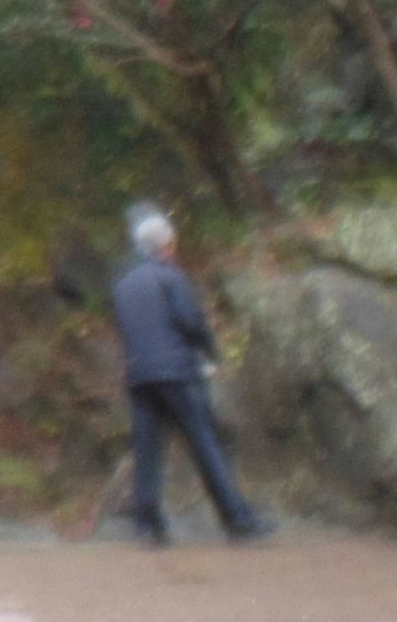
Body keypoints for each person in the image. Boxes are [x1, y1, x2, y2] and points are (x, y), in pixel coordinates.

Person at [112, 208, 271, 547]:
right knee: (205, 444)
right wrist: (211, 352)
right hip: (176, 373)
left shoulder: (124, 286)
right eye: (172, 242)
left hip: (140, 376)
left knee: (147, 450)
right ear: (166, 245)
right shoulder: (171, 278)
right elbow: (191, 322)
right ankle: (238, 520)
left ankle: (148, 526)